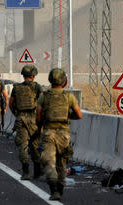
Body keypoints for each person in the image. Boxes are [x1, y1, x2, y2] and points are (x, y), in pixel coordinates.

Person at [36, 68, 82, 201]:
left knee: (48, 162)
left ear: (50, 80)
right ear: (63, 81)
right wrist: (67, 116)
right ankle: (60, 187)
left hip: (48, 133)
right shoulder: (69, 96)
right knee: (62, 163)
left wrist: (40, 128)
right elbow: (79, 115)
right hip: (64, 135)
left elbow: (38, 117)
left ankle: (53, 189)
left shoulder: (44, 97)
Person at [9, 64, 43, 180]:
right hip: (33, 119)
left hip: (20, 119)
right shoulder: (37, 87)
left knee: (22, 146)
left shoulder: (16, 88)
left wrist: (17, 115)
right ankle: (37, 171)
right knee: (35, 145)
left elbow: (11, 104)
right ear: (33, 76)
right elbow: (41, 104)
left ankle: (25, 172)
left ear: (23, 75)